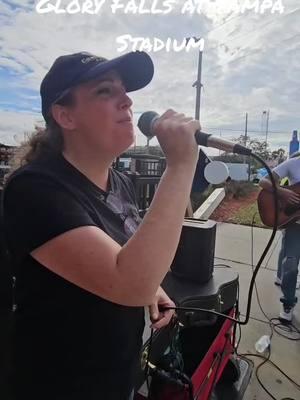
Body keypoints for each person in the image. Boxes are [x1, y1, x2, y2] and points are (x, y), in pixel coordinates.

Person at [2, 50, 201, 399]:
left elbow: (122, 258)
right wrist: (181, 166)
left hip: (116, 374)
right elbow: (127, 281)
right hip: (57, 383)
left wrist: (151, 287)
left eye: (124, 90)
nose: (126, 100)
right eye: (105, 91)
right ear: (64, 115)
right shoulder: (35, 188)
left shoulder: (119, 182)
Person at [260, 154, 300, 322]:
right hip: (295, 223)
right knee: (290, 264)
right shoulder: (294, 163)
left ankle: (281, 277)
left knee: (287, 254)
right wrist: (282, 192)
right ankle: (288, 303)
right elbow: (263, 181)